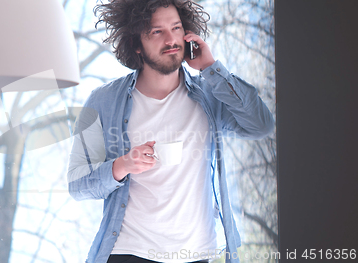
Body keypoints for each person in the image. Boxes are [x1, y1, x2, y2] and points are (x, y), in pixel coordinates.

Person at [67, 0, 275, 262]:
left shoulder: (211, 96)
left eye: (176, 28)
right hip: (128, 252)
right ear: (136, 45)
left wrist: (211, 68)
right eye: (157, 32)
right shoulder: (102, 101)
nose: (171, 39)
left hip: (197, 253)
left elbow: (261, 124)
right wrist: (121, 165)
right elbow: (77, 184)